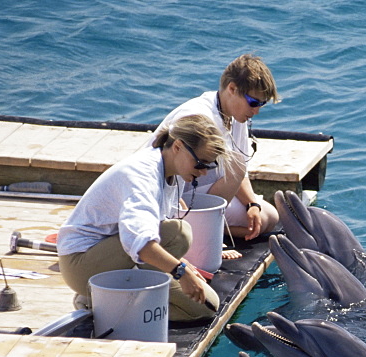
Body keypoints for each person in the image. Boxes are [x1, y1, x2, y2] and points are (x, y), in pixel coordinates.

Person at [57, 114, 226, 322]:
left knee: (205, 306)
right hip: (81, 263)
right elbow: (141, 242)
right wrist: (182, 272)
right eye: (200, 163)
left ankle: (108, 301)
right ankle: (96, 299)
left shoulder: (177, 172)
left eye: (209, 167)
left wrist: (184, 266)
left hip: (116, 254)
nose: (202, 172)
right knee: (178, 233)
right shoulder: (142, 175)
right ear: (178, 147)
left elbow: (152, 231)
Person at [151, 54, 281, 242]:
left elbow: (238, 170)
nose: (256, 111)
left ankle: (211, 227)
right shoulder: (198, 118)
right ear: (232, 89)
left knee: (268, 216)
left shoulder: (236, 116)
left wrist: (252, 204)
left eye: (262, 104)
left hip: (203, 192)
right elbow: (170, 178)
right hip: (170, 198)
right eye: (253, 102)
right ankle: (203, 230)